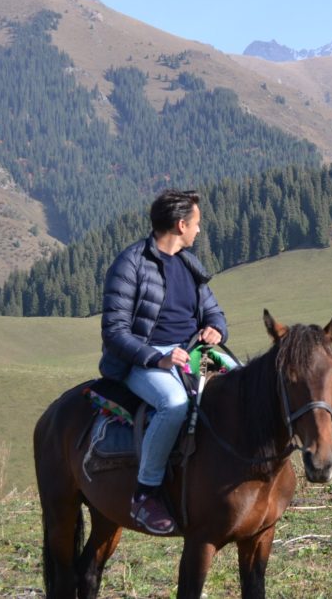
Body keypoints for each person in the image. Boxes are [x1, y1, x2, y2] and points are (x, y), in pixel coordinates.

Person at [99, 188, 229, 535]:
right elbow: (114, 331)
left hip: (194, 354)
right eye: (197, 224)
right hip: (142, 360)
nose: (200, 230)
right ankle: (145, 492)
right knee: (173, 404)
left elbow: (214, 312)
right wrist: (156, 358)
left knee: (241, 387)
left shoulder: (190, 264)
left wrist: (216, 330)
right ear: (181, 224)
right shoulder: (130, 264)